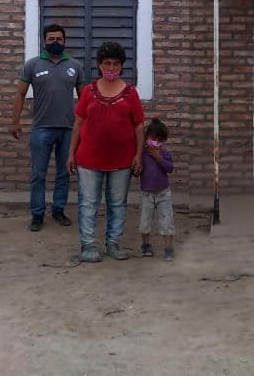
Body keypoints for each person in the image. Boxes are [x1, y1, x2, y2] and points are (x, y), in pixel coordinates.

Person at [67, 41, 145, 262]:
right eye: (107, 63)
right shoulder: (89, 91)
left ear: (122, 66)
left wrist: (139, 155)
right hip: (88, 159)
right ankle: (88, 245)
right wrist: (71, 153)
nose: (111, 67)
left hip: (122, 160)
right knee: (88, 203)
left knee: (118, 204)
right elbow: (78, 123)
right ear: (99, 65)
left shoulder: (131, 93)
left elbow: (139, 125)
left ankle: (113, 243)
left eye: (116, 63)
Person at [12, 24, 87, 232]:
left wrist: (85, 126)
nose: (55, 42)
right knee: (38, 174)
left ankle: (58, 210)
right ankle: (37, 214)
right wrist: (15, 121)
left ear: (64, 41)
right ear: (44, 41)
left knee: (64, 172)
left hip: (68, 128)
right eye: (51, 39)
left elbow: (84, 99)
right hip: (41, 128)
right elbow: (20, 94)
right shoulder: (33, 64)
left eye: (59, 39)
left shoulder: (75, 65)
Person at [139, 118, 175, 261]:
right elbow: (136, 170)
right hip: (146, 194)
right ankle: (146, 246)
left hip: (163, 194)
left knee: (167, 222)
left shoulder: (164, 154)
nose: (156, 143)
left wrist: (159, 158)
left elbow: (170, 168)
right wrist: (136, 168)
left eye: (160, 141)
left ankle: (168, 249)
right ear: (147, 137)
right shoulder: (142, 155)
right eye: (154, 139)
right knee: (145, 222)